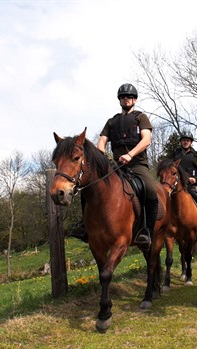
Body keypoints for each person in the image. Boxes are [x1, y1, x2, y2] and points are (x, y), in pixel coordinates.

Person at [68, 84, 157, 249]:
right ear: (120, 100)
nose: (126, 99)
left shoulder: (141, 117)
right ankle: (84, 226)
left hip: (137, 164)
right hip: (116, 166)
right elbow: (102, 140)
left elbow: (147, 140)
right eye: (123, 97)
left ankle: (147, 231)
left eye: (129, 97)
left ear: (135, 99)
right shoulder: (112, 121)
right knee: (88, 185)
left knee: (151, 188)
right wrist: (100, 154)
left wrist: (130, 155)